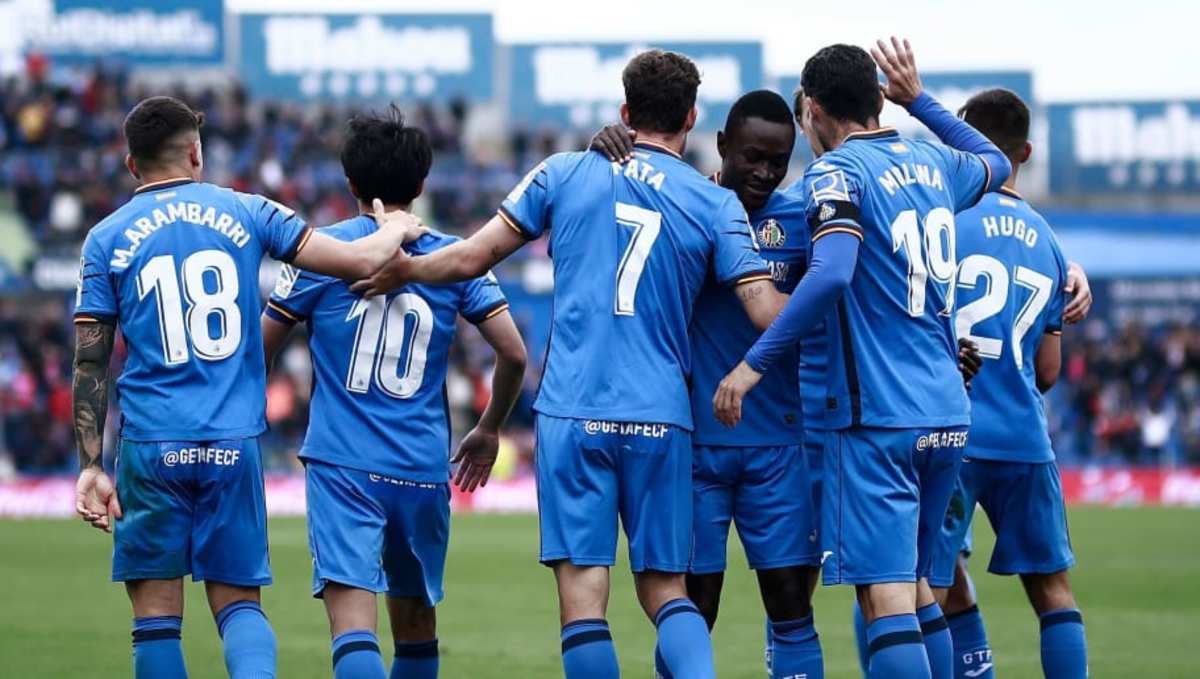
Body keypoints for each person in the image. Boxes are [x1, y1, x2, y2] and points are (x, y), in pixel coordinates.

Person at [353, 49, 788, 679]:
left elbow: (473, 257)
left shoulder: (562, 172)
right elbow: (766, 312)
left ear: (624, 112)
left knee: (584, 598)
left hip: (573, 411)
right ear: (692, 117)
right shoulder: (714, 203)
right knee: (667, 592)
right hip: (662, 415)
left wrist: (407, 269)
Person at [72, 96, 423, 679]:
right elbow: (359, 260)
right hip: (231, 443)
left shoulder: (104, 239)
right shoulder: (250, 210)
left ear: (132, 165)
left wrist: (90, 465)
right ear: (195, 153)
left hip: (151, 444)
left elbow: (90, 361)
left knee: (155, 622)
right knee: (239, 608)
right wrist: (397, 228)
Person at [713, 39, 1011, 679]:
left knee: (886, 599)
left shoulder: (836, 174)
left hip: (878, 418)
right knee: (919, 589)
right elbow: (995, 161)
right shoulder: (934, 160)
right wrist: (920, 101)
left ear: (814, 110)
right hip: (946, 414)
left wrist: (752, 364)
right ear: (879, 98)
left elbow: (830, 272)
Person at [259, 105, 528, 679]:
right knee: (416, 633)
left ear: (350, 182)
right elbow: (514, 353)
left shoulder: (321, 252)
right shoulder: (457, 257)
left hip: (343, 464)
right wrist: (489, 429)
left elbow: (260, 351)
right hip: (420, 468)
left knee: (354, 632)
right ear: (422, 183)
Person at [591, 90, 824, 679]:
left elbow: (856, 285)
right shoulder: (685, 204)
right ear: (721, 144)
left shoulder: (802, 221)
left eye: (778, 161)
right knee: (694, 608)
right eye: (753, 157)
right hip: (693, 447)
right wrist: (602, 148)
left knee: (792, 606)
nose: (765, 172)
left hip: (778, 444)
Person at [928, 87, 1089, 679]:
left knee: (921, 589)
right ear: (1026, 151)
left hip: (950, 432)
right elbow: (1048, 373)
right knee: (1053, 590)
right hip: (1023, 437)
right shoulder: (1050, 243)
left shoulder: (943, 222)